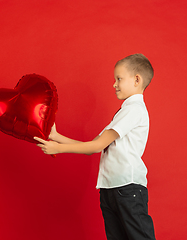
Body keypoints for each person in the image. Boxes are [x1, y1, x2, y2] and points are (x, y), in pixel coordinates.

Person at [35, 53, 156, 240]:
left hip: (128, 189)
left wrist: (58, 148)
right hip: (112, 189)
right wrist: (56, 137)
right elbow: (93, 144)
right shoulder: (124, 112)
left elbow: (95, 147)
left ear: (136, 80)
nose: (114, 84)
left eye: (119, 79)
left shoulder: (134, 110)